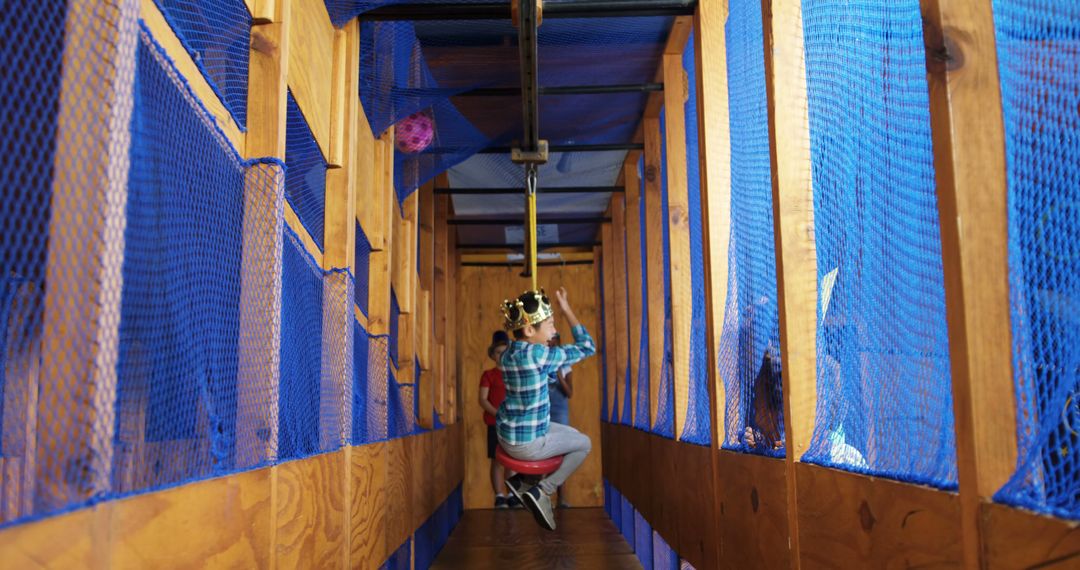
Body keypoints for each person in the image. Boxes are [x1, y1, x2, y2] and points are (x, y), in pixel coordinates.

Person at [497, 287, 595, 530]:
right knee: (584, 444)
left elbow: (541, 372)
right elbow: (587, 346)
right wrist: (566, 308)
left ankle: (523, 482)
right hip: (527, 444)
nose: (555, 330)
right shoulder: (539, 355)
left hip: (508, 436)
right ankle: (543, 490)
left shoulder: (508, 353)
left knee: (573, 435)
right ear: (530, 331)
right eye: (550, 324)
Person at [478, 330, 518, 509]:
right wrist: (498, 414)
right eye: (498, 352)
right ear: (493, 355)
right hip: (495, 423)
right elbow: (483, 399)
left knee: (512, 460)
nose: (502, 356)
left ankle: (513, 494)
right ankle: (500, 495)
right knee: (497, 460)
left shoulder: (515, 374)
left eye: (505, 352)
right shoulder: (489, 375)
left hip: (512, 424)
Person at [546, 332, 574, 507]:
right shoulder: (540, 362)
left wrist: (558, 375)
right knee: (543, 452)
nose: (551, 344)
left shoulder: (565, 365)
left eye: (554, 341)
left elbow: (569, 392)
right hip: (543, 411)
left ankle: (561, 498)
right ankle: (543, 497)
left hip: (560, 411)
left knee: (561, 454)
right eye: (549, 341)